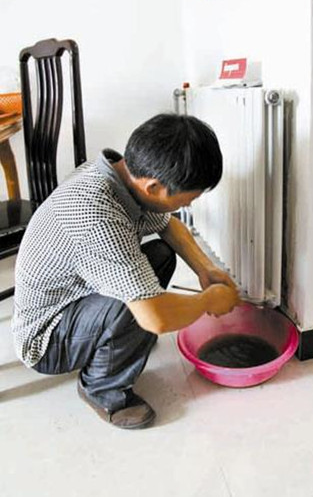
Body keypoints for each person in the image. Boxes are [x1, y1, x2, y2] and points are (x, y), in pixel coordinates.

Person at [12, 113, 240, 429]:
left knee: (161, 255)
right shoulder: (98, 217)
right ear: (154, 187)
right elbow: (155, 318)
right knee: (134, 305)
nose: (187, 206)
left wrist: (206, 269)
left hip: (79, 295)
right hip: (47, 338)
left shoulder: (120, 174)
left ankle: (122, 341)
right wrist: (208, 301)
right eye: (187, 199)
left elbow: (168, 225)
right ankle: (102, 391)